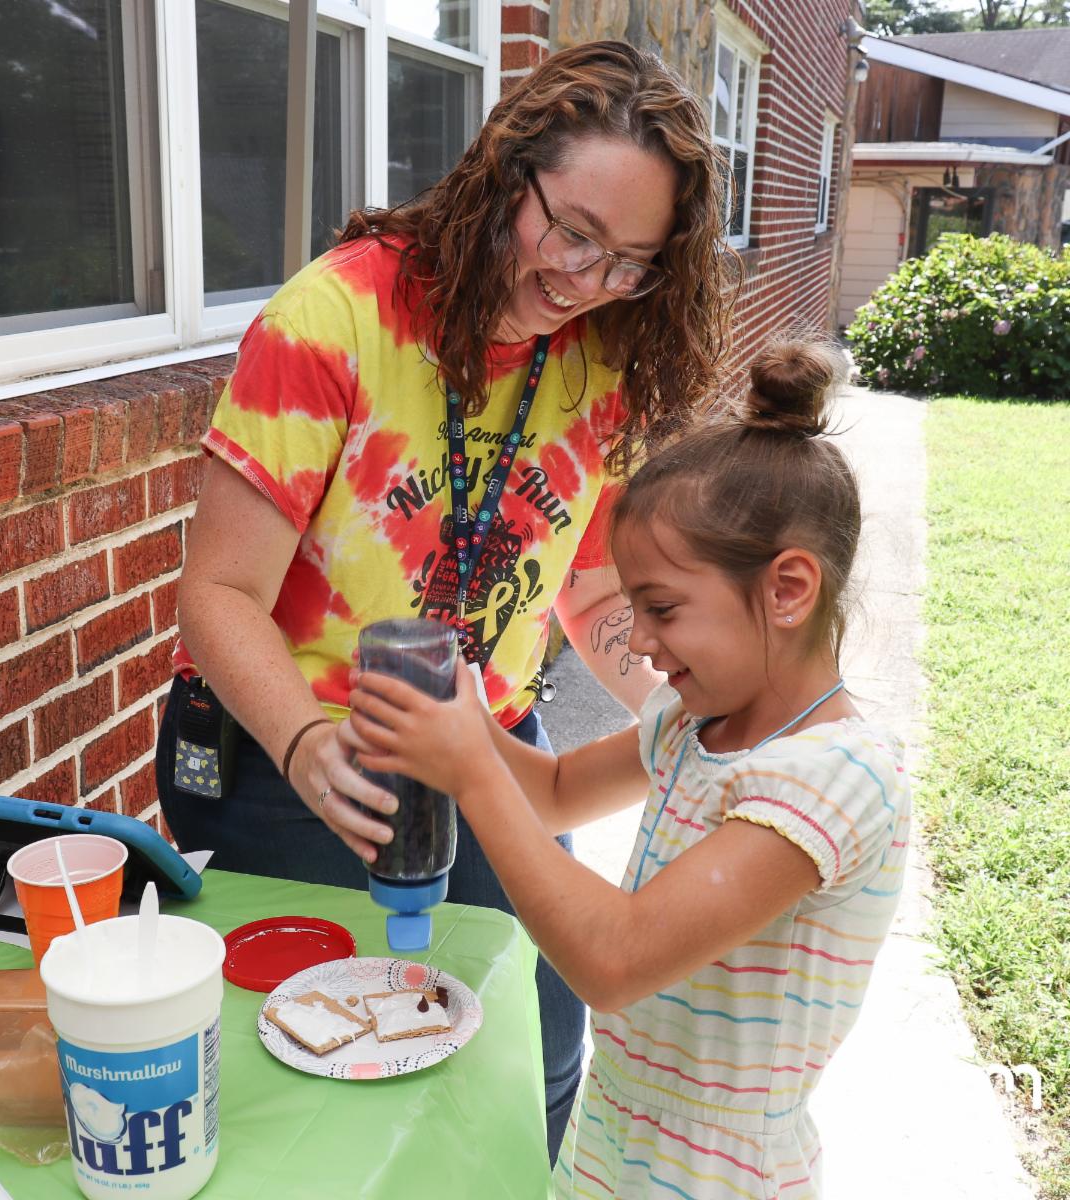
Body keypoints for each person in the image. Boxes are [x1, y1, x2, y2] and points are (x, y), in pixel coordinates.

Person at [155, 39, 735, 1164]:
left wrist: (706, 710)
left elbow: (588, 582)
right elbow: (218, 594)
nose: (584, 282)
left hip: (490, 744)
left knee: (539, 1041)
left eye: (630, 262)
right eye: (571, 232)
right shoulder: (334, 320)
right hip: (292, 750)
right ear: (505, 173)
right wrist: (307, 741)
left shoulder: (604, 355)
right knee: (335, 1078)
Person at [342, 339, 913, 1197]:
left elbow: (614, 961)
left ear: (789, 589)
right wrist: (462, 717)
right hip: (612, 1139)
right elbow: (556, 793)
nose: (638, 639)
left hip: (714, 1172)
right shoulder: (694, 723)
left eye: (663, 608)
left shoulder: (834, 780)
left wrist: (471, 774)